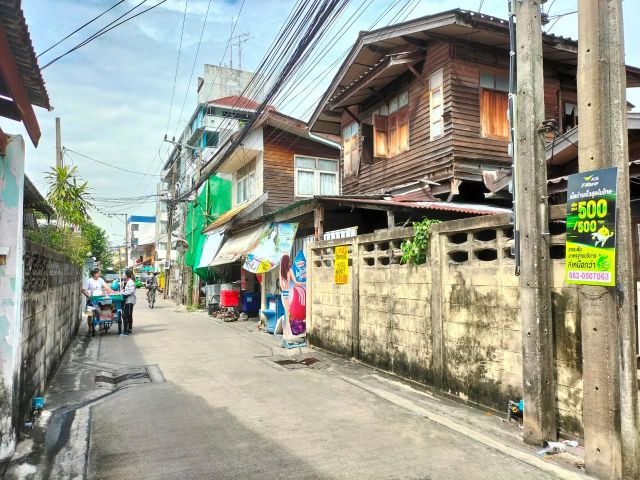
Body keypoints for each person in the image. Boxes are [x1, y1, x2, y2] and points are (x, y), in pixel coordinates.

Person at [82, 269, 112, 336]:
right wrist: (89, 296)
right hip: (91, 300)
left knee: (100, 312)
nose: (99, 275)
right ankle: (90, 328)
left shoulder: (100, 279)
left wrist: (111, 291)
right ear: (94, 274)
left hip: (99, 299)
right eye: (98, 273)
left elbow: (106, 287)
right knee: (89, 314)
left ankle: (101, 326)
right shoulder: (89, 280)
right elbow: (83, 290)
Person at [279, 254, 302, 341]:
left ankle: (287, 333)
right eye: (289, 260)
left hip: (285, 293)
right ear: (286, 261)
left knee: (289, 312)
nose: (290, 262)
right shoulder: (286, 270)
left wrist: (305, 283)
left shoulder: (285, 270)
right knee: (288, 312)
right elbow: (295, 282)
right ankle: (287, 333)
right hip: (286, 293)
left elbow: (294, 282)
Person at [122, 269, 137, 335]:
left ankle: (128, 329)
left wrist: (123, 293)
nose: (124, 276)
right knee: (127, 315)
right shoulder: (128, 281)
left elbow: (131, 291)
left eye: (125, 274)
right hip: (127, 301)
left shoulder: (131, 282)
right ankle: (127, 329)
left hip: (130, 301)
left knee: (127, 315)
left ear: (127, 275)